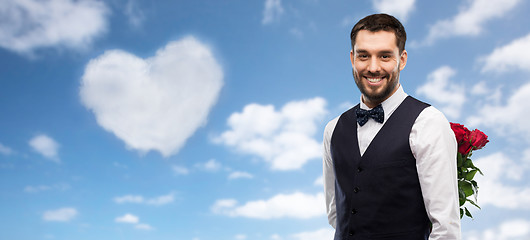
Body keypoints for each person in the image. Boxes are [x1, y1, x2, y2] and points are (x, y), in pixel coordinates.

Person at [322, 13, 461, 240]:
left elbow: (445, 228)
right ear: (352, 58)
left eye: (385, 56)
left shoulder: (428, 122)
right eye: (364, 56)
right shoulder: (333, 129)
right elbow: (335, 214)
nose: (373, 67)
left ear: (402, 59)